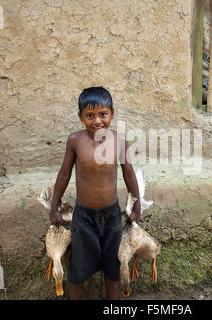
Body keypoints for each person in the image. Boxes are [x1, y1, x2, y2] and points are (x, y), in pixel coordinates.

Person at [49, 86, 141, 300]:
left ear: (112, 114)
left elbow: (129, 174)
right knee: (78, 268)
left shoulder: (119, 141)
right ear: (80, 116)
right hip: (84, 217)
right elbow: (64, 175)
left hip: (111, 216)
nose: (97, 121)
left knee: (113, 266)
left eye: (103, 115)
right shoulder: (75, 141)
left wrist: (137, 205)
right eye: (90, 116)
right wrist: (54, 207)